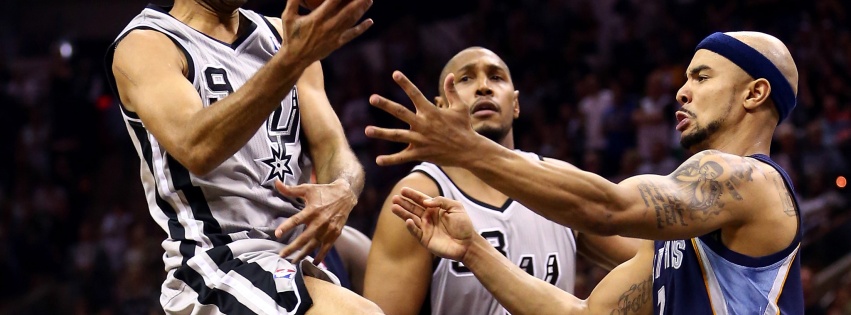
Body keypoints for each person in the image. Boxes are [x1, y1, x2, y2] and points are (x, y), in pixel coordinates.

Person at [366, 31, 803, 314]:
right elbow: (586, 313)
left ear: (755, 93)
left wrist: (468, 148)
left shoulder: (750, 180)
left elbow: (608, 208)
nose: (681, 91)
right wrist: (473, 251)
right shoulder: (678, 237)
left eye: (701, 77)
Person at [105, 0, 383, 313]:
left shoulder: (284, 35)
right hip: (216, 261)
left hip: (294, 247)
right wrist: (290, 62)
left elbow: (332, 147)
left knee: (397, 258)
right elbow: (196, 147)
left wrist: (341, 189)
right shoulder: (146, 44)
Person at [362, 47, 638, 315]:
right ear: (441, 106)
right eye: (466, 78)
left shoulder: (558, 181)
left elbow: (655, 262)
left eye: (496, 77)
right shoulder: (420, 194)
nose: (483, 86)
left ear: (516, 103)